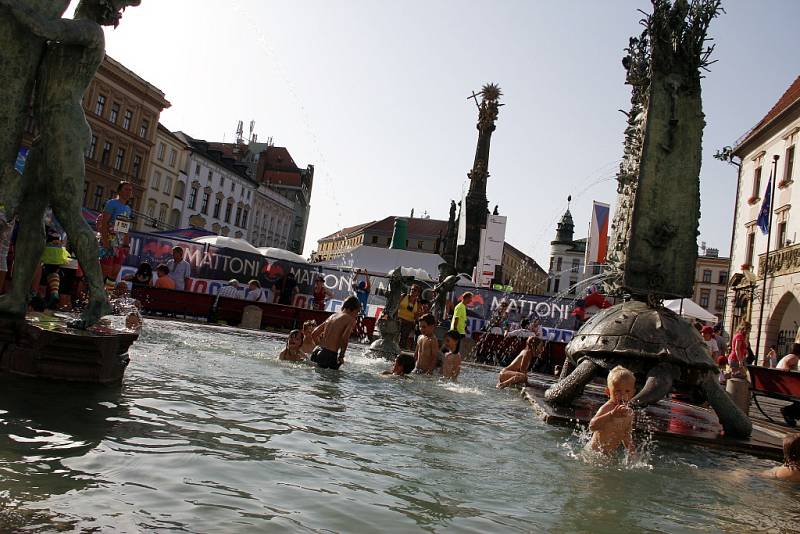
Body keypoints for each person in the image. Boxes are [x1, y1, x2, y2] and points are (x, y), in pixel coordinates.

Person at [588, 366, 637, 455]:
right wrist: (611, 415)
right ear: (608, 392)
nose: (622, 395)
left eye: (627, 391)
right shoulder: (607, 408)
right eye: (618, 391)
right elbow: (592, 426)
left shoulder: (629, 413)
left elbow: (626, 434)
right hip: (593, 453)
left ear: (633, 393)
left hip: (608, 456)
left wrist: (630, 449)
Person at [309, 295, 360, 370]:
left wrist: (319, 345)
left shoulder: (333, 316)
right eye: (357, 311)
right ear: (351, 309)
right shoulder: (351, 320)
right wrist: (341, 356)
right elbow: (344, 338)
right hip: (329, 355)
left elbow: (314, 333)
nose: (357, 315)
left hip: (316, 351)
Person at [97, 181, 133, 282]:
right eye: (126, 189)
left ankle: (107, 296)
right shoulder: (111, 203)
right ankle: (98, 295)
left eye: (130, 190)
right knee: (106, 272)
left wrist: (126, 244)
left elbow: (125, 229)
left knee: (115, 273)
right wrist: (105, 241)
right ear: (119, 191)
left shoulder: (128, 209)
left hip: (120, 244)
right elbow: (104, 224)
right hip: (109, 240)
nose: (129, 192)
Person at [398, 284, 422, 349]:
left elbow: (416, 316)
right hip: (399, 319)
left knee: (403, 339)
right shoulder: (403, 296)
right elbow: (396, 305)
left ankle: (399, 354)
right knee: (395, 336)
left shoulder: (418, 303)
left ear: (418, 293)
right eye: (412, 289)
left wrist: (418, 317)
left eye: (415, 290)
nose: (412, 291)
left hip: (409, 322)